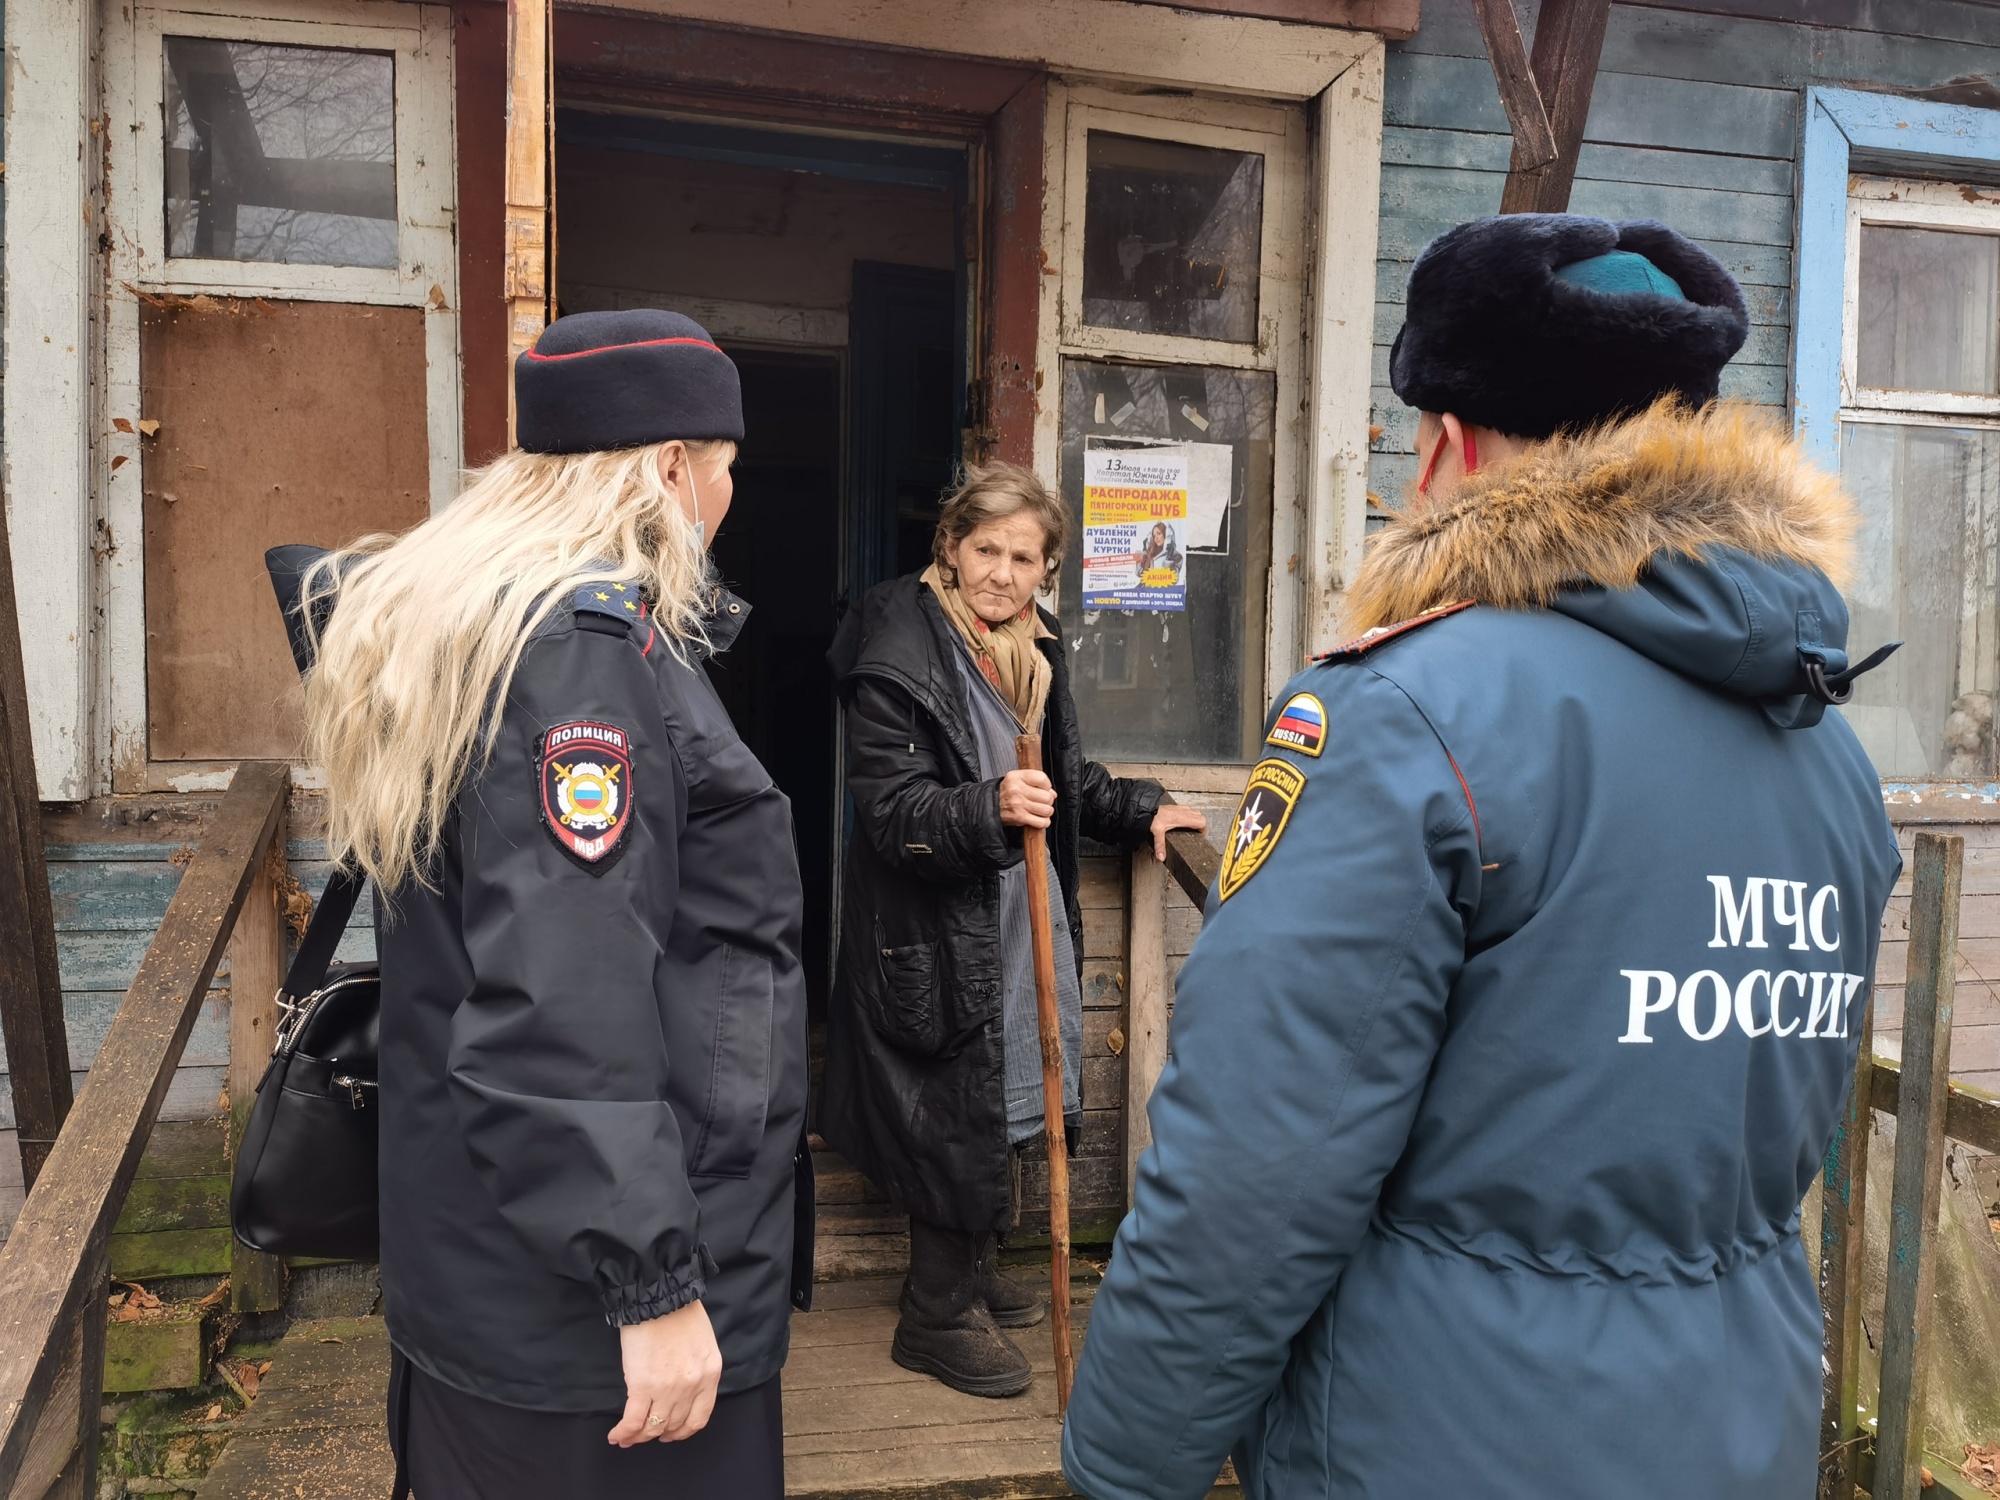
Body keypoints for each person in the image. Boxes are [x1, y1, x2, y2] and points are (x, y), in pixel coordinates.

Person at [1061, 215, 1904, 1499]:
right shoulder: (1823, 749)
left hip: (1440, 1436)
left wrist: (1124, 1467)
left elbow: (1256, 1174)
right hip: (1740, 1426)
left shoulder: (1402, 715)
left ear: (1447, 443)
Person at [295, 309, 809, 1499]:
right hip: (582, 1320)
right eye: (725, 470)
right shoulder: (578, 655)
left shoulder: (476, 628)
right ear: (671, 468)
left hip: (493, 1263)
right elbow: (560, 997)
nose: (726, 498)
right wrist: (654, 1285)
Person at [822, 461, 1208, 1398]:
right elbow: (893, 812)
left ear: (1046, 570)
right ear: (949, 549)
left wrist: (1139, 807)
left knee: (1007, 1089)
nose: (1000, 570)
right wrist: (988, 806)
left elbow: (1058, 776)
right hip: (935, 920)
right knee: (959, 1094)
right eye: (984, 549)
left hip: (1006, 909)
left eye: (1022, 556)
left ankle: (974, 1271)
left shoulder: (1028, 646)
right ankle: (935, 1312)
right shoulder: (901, 652)